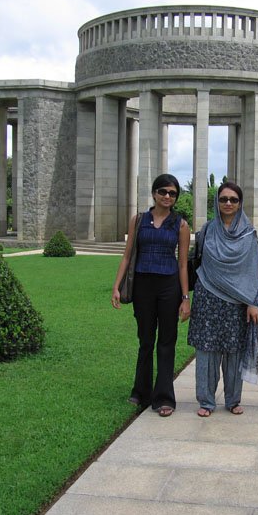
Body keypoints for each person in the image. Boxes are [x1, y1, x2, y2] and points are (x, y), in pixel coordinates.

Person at [111, 174, 191, 417]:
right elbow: (127, 256)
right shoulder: (139, 220)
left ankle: (164, 397)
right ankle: (141, 391)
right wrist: (116, 286)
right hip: (143, 286)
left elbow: (183, 264)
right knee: (145, 340)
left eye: (173, 193)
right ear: (154, 193)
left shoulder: (181, 225)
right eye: (163, 192)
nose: (168, 197)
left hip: (169, 286)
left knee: (166, 342)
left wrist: (185, 298)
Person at [187, 182, 258, 417]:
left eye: (233, 199)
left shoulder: (248, 233)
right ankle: (206, 401)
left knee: (235, 351)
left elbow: (254, 269)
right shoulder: (207, 230)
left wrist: (254, 302)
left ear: (240, 203)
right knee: (206, 351)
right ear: (217, 202)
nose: (228, 203)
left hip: (238, 303)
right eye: (223, 199)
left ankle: (233, 400)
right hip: (208, 298)